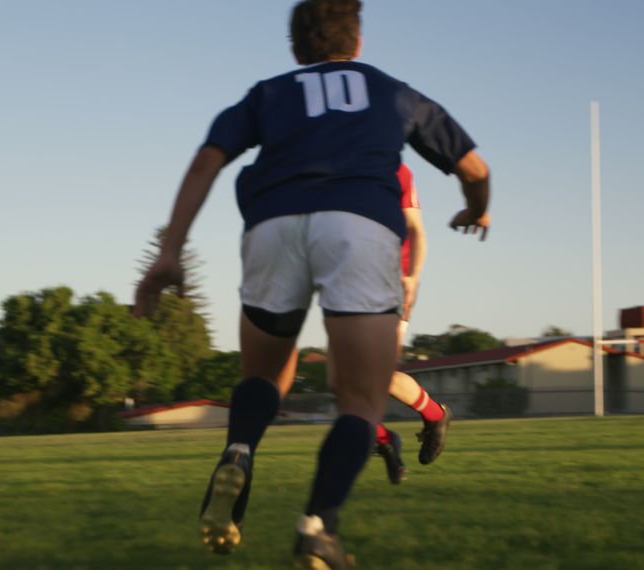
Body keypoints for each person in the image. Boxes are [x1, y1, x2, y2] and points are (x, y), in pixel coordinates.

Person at [135, 0, 489, 566]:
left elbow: (207, 160)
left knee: (265, 373)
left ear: (296, 51)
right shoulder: (392, 90)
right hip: (359, 225)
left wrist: (171, 250)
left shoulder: (269, 93)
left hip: (273, 223)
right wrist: (478, 209)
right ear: (358, 42)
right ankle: (317, 526)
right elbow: (475, 168)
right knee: (361, 399)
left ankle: (239, 449)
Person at [277, 163, 452, 487]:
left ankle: (434, 416)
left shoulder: (395, 168)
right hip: (346, 284)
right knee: (339, 383)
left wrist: (413, 276)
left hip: (389, 282)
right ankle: (385, 440)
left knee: (374, 375)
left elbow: (416, 228)